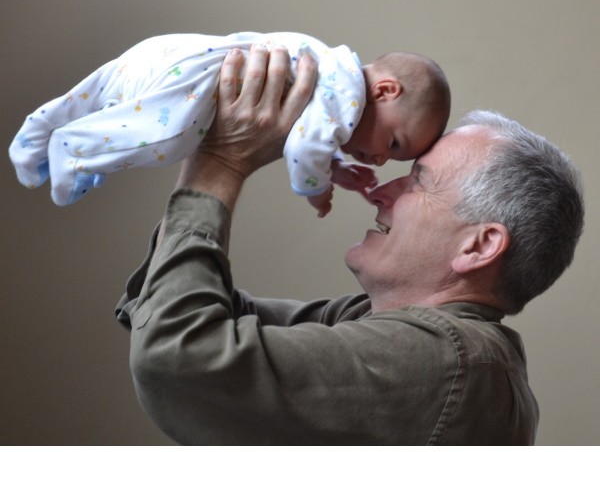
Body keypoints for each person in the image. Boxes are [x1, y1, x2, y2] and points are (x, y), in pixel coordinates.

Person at [116, 46, 584, 445]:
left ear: (479, 246)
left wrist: (220, 160)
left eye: (417, 182)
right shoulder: (383, 326)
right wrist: (229, 138)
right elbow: (166, 307)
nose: (380, 190)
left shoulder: (443, 359)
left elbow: (173, 355)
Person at [8, 32, 450, 215]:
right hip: (194, 82)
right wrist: (316, 189)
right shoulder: (345, 93)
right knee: (170, 140)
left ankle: (37, 139)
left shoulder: (333, 70)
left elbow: (310, 132)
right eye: (394, 144)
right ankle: (74, 150)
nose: (380, 158)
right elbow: (301, 151)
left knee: (99, 95)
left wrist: (336, 166)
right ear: (385, 91)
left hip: (172, 54)